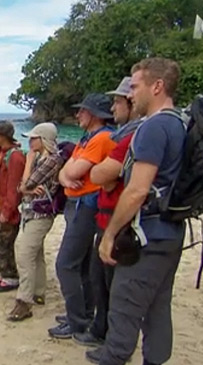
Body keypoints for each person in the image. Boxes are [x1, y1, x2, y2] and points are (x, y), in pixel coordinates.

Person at [63, 57, 187, 365]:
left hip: (145, 235)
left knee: (124, 308)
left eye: (134, 86)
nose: (130, 95)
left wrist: (109, 234)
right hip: (171, 232)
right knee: (159, 308)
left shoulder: (153, 127)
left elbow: (137, 189)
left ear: (157, 86)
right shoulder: (181, 123)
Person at [77, 77, 144, 353]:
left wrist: (102, 174)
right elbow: (100, 175)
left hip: (120, 223)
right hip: (107, 218)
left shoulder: (131, 135)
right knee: (100, 279)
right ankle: (100, 330)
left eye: (118, 101)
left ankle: (115, 344)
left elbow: (101, 174)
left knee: (116, 286)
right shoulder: (124, 134)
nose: (112, 107)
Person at [50, 93, 116, 340]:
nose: (77, 115)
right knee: (83, 264)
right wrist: (66, 177)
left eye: (83, 111)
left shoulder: (101, 138)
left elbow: (73, 169)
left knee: (65, 263)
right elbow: (64, 171)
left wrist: (67, 175)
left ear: (96, 115)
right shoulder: (89, 138)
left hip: (85, 206)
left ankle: (77, 320)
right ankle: (84, 312)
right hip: (80, 203)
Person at [6, 123, 64, 321]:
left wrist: (29, 163)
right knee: (35, 253)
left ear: (44, 139)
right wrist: (26, 188)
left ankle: (24, 301)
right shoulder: (44, 158)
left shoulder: (51, 160)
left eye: (33, 138)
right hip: (33, 211)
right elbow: (24, 187)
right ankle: (38, 292)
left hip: (41, 214)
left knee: (24, 252)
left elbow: (26, 183)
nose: (29, 142)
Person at [0, 120, 25, 292]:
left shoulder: (14, 156)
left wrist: (8, 209)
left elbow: (13, 187)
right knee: (0, 241)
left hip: (6, 206)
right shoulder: (1, 153)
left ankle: (10, 276)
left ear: (3, 136)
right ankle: (4, 272)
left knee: (5, 242)